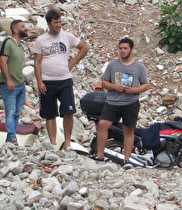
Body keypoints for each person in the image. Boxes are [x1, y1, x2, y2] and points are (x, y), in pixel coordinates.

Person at [32, 10, 88, 149]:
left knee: (68, 112)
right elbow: (37, 62)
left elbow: (84, 47)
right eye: (56, 22)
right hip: (47, 81)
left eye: (60, 22)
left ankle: (67, 142)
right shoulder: (41, 40)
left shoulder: (67, 36)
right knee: (49, 114)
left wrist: (73, 62)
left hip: (64, 80)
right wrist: (39, 82)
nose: (59, 25)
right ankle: (53, 143)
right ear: (49, 23)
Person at [95, 37, 149, 165]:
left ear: (131, 49)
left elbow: (145, 85)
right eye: (120, 48)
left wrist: (135, 90)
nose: (122, 51)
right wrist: (115, 87)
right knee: (102, 124)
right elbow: (104, 82)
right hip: (113, 102)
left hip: (131, 103)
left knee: (128, 130)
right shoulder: (112, 65)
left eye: (125, 48)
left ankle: (127, 159)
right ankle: (99, 155)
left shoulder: (139, 67)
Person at [0, 20, 30, 145]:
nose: (25, 28)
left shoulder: (20, 46)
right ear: (15, 30)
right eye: (23, 26)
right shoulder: (8, 43)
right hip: (9, 85)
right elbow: (3, 62)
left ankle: (10, 140)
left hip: (20, 84)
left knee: (17, 113)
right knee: (10, 112)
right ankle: (12, 137)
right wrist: (9, 80)